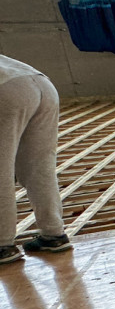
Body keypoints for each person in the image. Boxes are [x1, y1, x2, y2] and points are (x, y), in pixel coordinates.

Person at [1, 55, 70, 264]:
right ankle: (54, 234)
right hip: (42, 84)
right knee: (39, 166)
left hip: (6, 91)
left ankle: (2, 244)